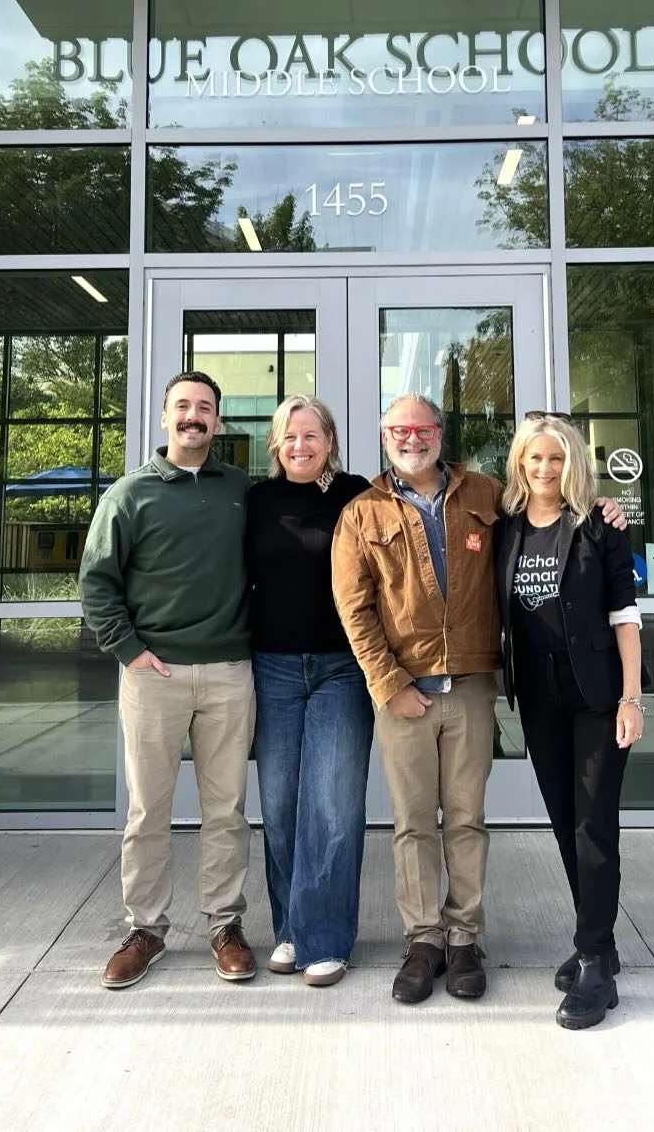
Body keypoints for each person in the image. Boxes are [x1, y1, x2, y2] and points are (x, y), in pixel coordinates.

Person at [334, 394, 626, 1007]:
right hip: (404, 691)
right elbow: (354, 609)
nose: (411, 438)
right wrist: (388, 684)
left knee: (467, 819)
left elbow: (551, 507)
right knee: (414, 823)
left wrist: (603, 505)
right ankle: (423, 941)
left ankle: (465, 939)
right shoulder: (362, 512)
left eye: (422, 428)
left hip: (470, 686)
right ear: (384, 437)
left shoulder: (486, 495)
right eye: (398, 429)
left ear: (440, 434)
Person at [79, 371, 257, 990]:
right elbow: (97, 582)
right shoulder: (129, 495)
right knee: (148, 810)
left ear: (217, 421)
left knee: (226, 811)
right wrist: (129, 651)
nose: (193, 416)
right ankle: (146, 930)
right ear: (164, 418)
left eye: (204, 407)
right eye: (182, 405)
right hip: (154, 674)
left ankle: (225, 925)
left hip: (229, 671)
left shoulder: (241, 490)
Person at [495, 413, 644, 1030]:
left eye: (556, 458)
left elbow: (625, 615)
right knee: (564, 823)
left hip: (596, 694)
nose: (545, 469)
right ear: (520, 464)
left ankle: (593, 958)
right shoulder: (505, 527)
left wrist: (632, 698)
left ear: (572, 463)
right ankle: (599, 943)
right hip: (537, 694)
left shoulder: (598, 526)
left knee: (593, 825)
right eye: (535, 458)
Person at [245, 395, 373, 987]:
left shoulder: (355, 495)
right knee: (279, 806)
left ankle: (327, 938)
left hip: (342, 667)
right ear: (276, 443)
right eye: (289, 436)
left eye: (311, 435)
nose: (300, 445)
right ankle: (292, 929)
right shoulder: (256, 501)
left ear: (330, 441)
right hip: (271, 667)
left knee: (334, 805)